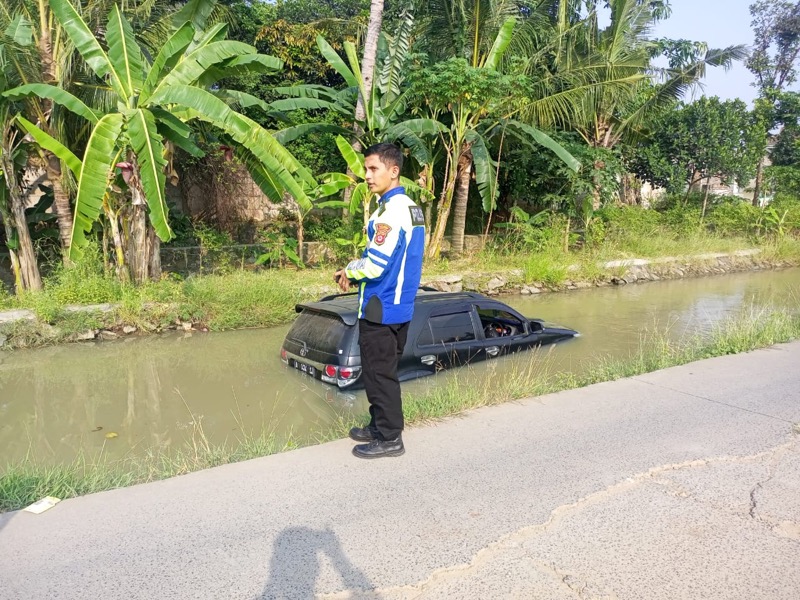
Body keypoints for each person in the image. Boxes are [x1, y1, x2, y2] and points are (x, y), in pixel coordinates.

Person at [334, 143, 425, 459]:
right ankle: (379, 425)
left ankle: (389, 438)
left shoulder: (390, 213)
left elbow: (374, 264)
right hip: (400, 306)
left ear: (394, 171)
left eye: (374, 169)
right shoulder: (412, 207)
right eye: (366, 169)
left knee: (378, 374)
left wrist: (348, 270)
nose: (367, 176)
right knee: (381, 371)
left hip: (380, 307)